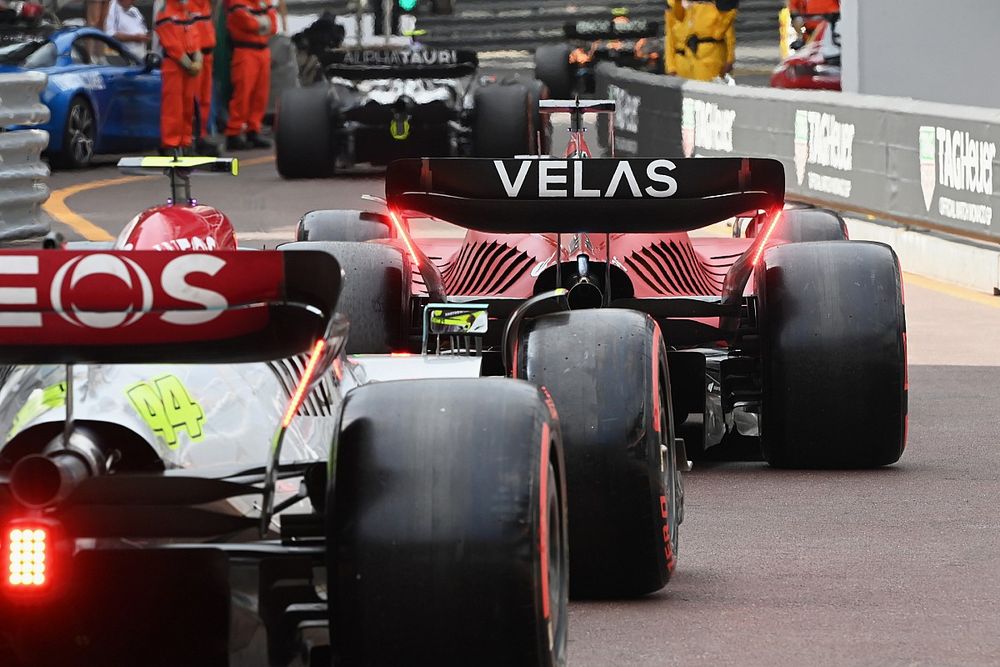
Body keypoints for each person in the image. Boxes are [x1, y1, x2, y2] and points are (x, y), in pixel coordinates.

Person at [224, 0, 276, 150]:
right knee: (243, 93)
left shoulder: (264, 1)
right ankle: (233, 133)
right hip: (245, 51)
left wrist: (259, 23)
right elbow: (247, 23)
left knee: (260, 95)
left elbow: (273, 25)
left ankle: (253, 130)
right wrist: (262, 22)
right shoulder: (237, 2)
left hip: (263, 52)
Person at [155, 0, 202, 155]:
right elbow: (171, 44)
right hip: (174, 66)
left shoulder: (186, 12)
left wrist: (197, 59)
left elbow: (195, 38)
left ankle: (185, 142)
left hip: (188, 67)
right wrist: (189, 64)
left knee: (188, 106)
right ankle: (170, 144)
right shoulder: (165, 13)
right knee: (173, 107)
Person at [666, 0, 737, 81]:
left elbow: (728, 32)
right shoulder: (674, 4)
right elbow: (670, 36)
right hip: (684, 62)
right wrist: (670, 66)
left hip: (710, 59)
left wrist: (730, 59)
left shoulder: (714, 5)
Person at [192, 0, 219, 155]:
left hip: (207, 56)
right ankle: (192, 138)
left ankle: (201, 135)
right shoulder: (187, 6)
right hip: (196, 57)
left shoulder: (205, 6)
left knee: (205, 99)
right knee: (193, 100)